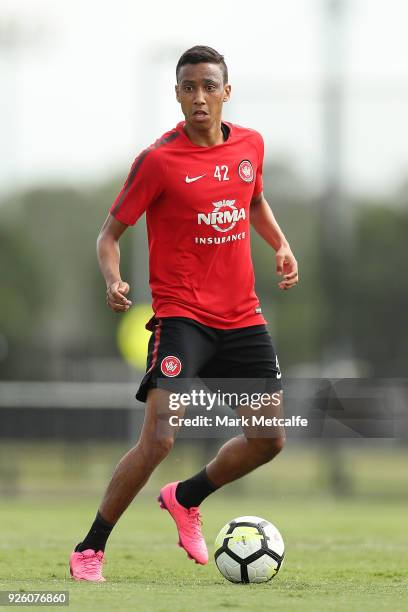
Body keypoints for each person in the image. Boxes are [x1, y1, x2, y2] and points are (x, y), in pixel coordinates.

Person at [69, 45, 298, 582]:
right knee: (161, 439)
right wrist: (114, 279)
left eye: (209, 86)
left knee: (269, 439)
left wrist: (281, 245)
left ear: (226, 91)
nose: (200, 97)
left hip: (243, 317)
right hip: (183, 319)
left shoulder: (250, 145)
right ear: (177, 94)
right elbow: (108, 235)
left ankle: (186, 497)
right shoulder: (158, 161)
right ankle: (90, 548)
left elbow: (254, 199)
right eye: (189, 87)